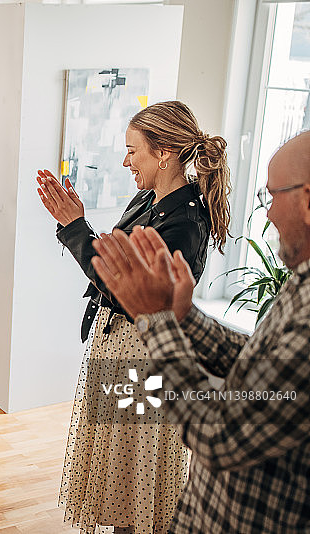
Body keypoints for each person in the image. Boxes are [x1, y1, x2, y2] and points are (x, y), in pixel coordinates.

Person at [90, 130, 310, 533]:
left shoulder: (188, 218)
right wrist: (185, 316)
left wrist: (159, 321)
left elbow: (220, 436)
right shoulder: (302, 283)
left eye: (274, 196)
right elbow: (257, 359)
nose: (268, 213)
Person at [35, 101, 231, 534]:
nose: (125, 161)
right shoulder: (148, 197)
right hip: (119, 346)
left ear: (162, 153)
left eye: (132, 151)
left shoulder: (187, 222)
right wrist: (80, 229)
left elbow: (126, 290)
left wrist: (76, 228)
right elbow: (116, 260)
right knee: (114, 464)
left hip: (144, 355)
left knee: (131, 468)